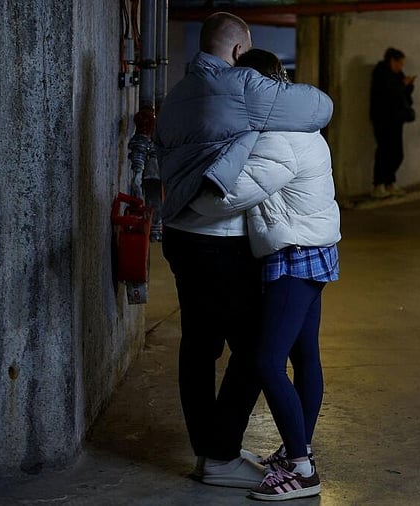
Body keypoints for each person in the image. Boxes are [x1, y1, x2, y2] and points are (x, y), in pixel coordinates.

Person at [153, 12, 333, 489]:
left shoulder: (173, 97)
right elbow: (318, 107)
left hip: (178, 239)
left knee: (197, 347)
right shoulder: (242, 87)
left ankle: (207, 451)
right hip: (222, 244)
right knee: (256, 349)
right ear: (238, 55)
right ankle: (221, 454)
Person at [369, 47, 416, 198]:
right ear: (392, 61)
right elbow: (388, 94)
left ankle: (390, 182)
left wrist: (409, 85)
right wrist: (403, 84)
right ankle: (379, 185)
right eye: (400, 63)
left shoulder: (398, 75)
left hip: (396, 119)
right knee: (384, 151)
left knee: (397, 153)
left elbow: (402, 95)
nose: (401, 67)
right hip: (383, 118)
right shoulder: (381, 73)